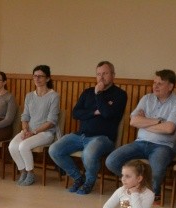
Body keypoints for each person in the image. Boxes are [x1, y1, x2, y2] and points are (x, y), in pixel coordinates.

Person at [105, 69, 176, 202]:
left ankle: (150, 193)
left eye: (160, 83)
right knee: (111, 161)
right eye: (154, 83)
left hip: (163, 146)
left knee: (156, 171)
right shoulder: (146, 98)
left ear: (170, 86)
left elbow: (169, 129)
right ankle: (138, 187)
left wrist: (144, 122)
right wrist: (158, 121)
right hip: (140, 142)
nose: (155, 86)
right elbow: (133, 121)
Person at [49, 61, 128, 195]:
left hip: (103, 139)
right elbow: (76, 113)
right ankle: (78, 177)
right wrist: (95, 112)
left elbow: (108, 114)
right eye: (98, 74)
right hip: (81, 135)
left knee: (89, 153)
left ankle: (89, 182)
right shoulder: (87, 92)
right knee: (54, 149)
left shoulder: (120, 94)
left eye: (105, 74)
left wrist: (98, 94)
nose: (101, 77)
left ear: (113, 75)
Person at [8, 65, 60, 186]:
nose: (37, 79)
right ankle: (23, 172)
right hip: (29, 131)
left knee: (23, 146)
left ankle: (30, 173)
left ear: (47, 78)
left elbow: (51, 121)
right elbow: (25, 116)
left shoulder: (54, 96)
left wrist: (34, 132)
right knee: (12, 146)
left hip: (46, 133)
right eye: (35, 76)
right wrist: (25, 129)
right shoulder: (29, 96)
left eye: (40, 76)